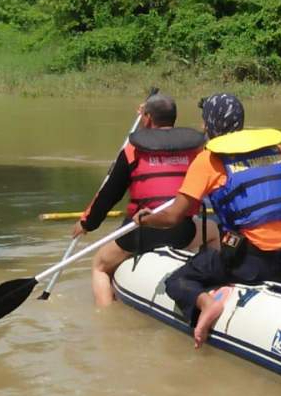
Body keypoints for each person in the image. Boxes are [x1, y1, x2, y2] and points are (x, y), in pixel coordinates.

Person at [136, 93, 281, 348]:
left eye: (204, 120)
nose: (202, 126)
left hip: (250, 263)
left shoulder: (209, 160)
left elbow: (173, 216)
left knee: (178, 281)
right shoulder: (275, 151)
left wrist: (146, 219)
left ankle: (207, 304)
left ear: (211, 123)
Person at [72, 93, 206, 308]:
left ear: (148, 118)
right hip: (182, 230)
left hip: (141, 231)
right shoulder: (196, 150)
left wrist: (87, 223)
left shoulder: (132, 151)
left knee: (99, 265)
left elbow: (109, 195)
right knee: (214, 232)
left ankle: (106, 317)